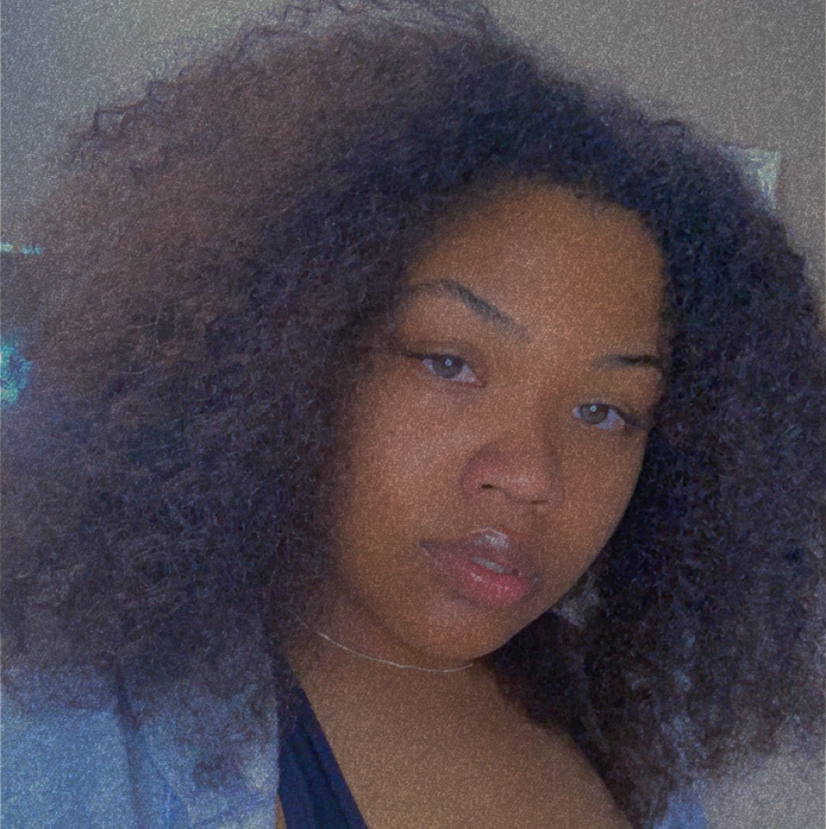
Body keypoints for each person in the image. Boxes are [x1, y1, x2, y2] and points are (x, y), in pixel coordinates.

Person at [2, 2, 824, 827]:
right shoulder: (68, 728)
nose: (531, 474)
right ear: (296, 348)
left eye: (603, 410)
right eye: (449, 362)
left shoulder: (628, 736)